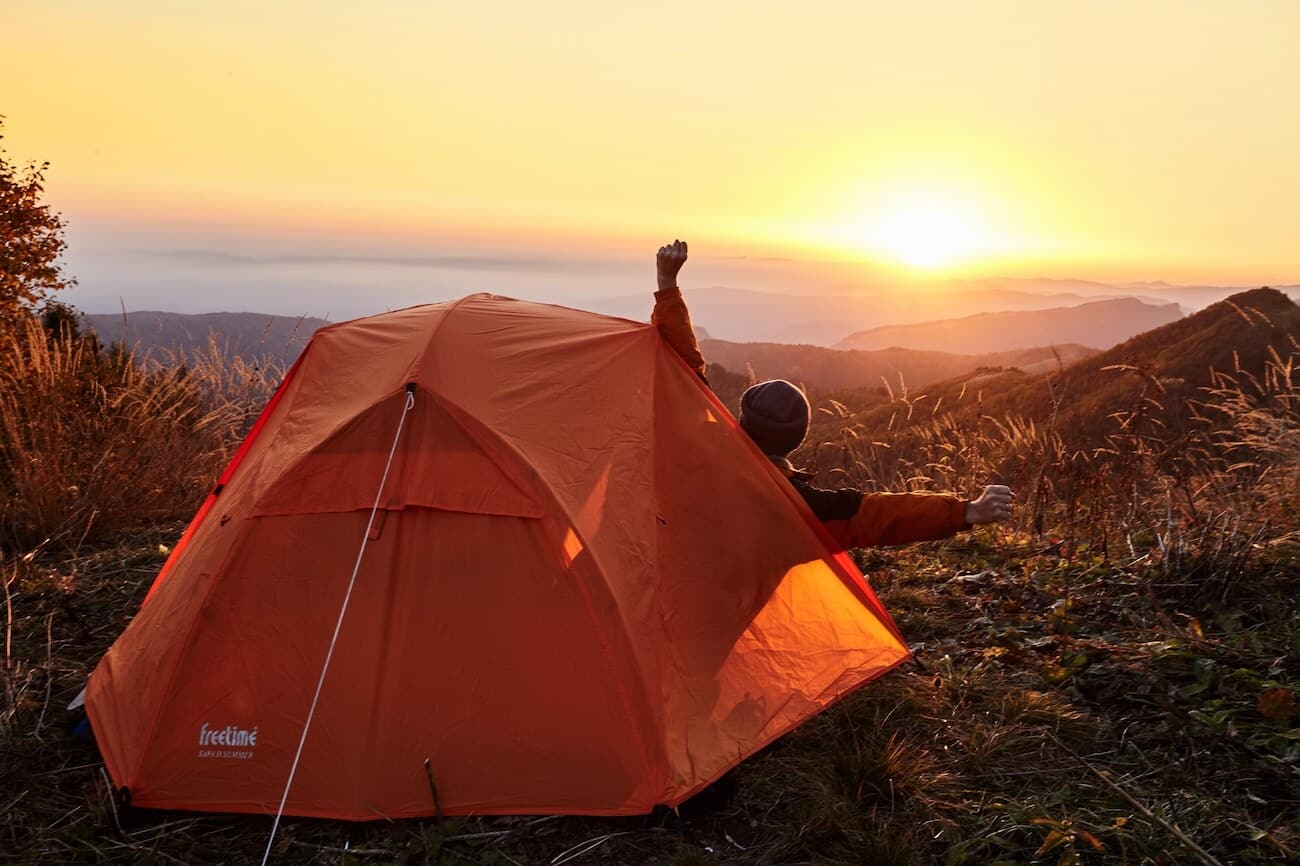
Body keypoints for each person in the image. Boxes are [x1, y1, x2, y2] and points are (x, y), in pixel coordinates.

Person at [651, 239, 1014, 550]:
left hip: (643, 599)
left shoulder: (702, 449)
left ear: (742, 421)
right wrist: (968, 511)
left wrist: (668, 284)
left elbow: (685, 375)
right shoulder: (805, 507)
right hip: (722, 625)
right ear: (798, 437)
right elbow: (881, 513)